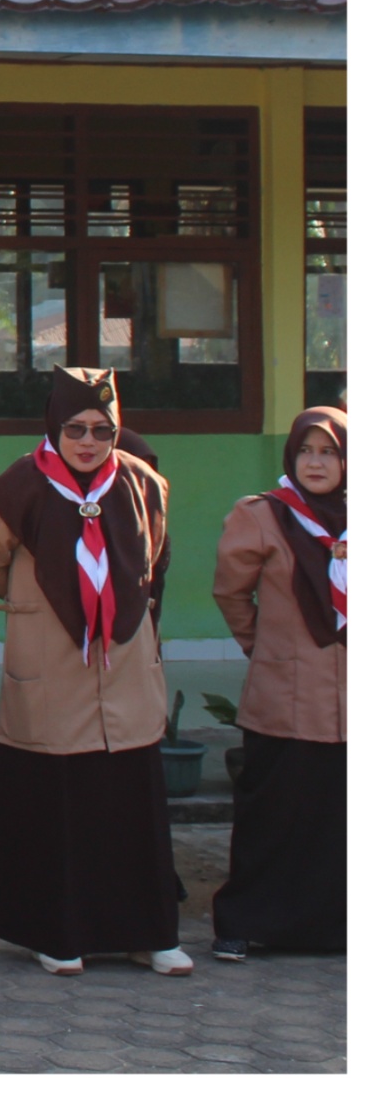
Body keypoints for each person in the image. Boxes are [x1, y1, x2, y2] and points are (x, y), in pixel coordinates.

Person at [0, 367, 182, 976]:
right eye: (75, 429)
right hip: (52, 666)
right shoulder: (17, 485)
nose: (88, 442)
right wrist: (33, 596)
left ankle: (148, 933)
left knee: (130, 802)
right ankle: (55, 933)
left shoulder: (141, 483)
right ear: (53, 427)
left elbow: (155, 549)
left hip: (125, 666)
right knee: (57, 805)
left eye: (102, 430)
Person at [208, 406, 347, 962]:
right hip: (285, 699)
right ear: (291, 455)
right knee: (276, 817)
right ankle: (245, 922)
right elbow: (231, 593)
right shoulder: (263, 515)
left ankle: (338, 925)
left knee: (341, 821)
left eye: (330, 452)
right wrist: (261, 646)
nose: (317, 463)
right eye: (307, 451)